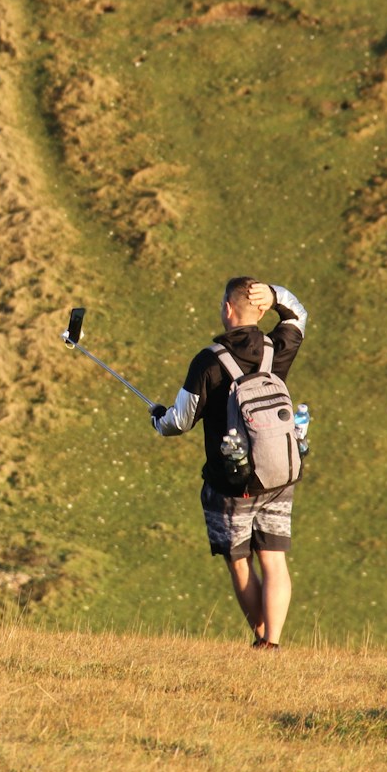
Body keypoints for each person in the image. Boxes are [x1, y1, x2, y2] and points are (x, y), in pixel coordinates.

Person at [150, 277, 306, 650]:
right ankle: (273, 643)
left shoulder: (208, 361)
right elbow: (298, 316)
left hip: (230, 483)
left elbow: (180, 422)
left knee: (240, 564)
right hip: (279, 473)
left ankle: (263, 645)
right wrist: (277, 294)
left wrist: (158, 419)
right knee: (274, 560)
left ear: (227, 309)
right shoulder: (276, 348)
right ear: (262, 308)